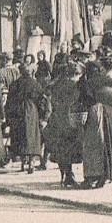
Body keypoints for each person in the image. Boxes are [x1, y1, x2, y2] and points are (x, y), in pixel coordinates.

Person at [78, 60, 112, 189]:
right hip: (107, 111)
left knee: (94, 144)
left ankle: (93, 176)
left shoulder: (89, 81)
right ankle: (104, 175)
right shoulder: (101, 79)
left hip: (95, 111)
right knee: (107, 143)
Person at [42, 56, 84, 186]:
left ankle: (64, 174)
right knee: (70, 149)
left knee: (60, 149)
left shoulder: (56, 84)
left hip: (56, 120)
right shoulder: (74, 86)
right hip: (69, 121)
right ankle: (69, 176)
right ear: (76, 74)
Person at [7, 62, 47, 174]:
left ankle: (23, 162)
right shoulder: (35, 84)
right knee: (32, 137)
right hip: (32, 111)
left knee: (20, 136)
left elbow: (10, 102)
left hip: (18, 112)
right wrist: (43, 116)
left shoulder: (15, 84)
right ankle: (31, 162)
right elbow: (42, 101)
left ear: (20, 72)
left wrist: (9, 116)